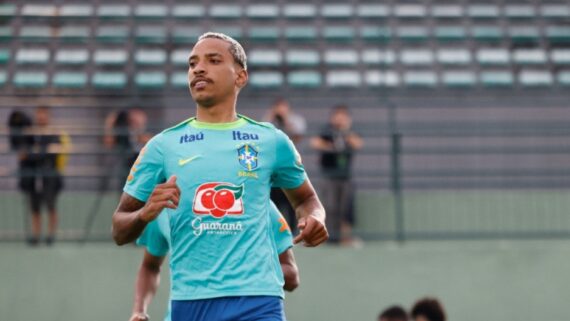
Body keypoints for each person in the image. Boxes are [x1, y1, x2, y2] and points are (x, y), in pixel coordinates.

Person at [112, 32, 328, 321]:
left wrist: (316, 217)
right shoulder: (162, 146)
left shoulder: (271, 141)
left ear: (240, 76)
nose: (198, 69)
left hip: (258, 300)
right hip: (191, 302)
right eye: (192, 64)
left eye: (213, 60)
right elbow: (119, 229)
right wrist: (144, 215)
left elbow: (307, 199)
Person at [129, 202, 300, 321]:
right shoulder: (164, 209)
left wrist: (247, 268)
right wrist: (139, 310)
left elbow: (291, 277)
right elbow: (150, 266)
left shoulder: (260, 204)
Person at [311, 105, 363, 246]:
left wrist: (345, 131)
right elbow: (315, 143)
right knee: (329, 206)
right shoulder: (327, 131)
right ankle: (329, 237)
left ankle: (344, 238)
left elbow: (358, 144)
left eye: (343, 116)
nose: (339, 119)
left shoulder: (350, 132)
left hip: (345, 176)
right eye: (337, 115)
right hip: (329, 175)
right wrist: (331, 147)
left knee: (346, 208)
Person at [19, 107, 70, 245]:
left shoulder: (55, 133)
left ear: (48, 116)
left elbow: (54, 151)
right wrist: (39, 153)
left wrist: (36, 153)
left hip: (50, 176)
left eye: (44, 115)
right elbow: (24, 153)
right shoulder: (30, 134)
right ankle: (36, 235)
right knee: (35, 207)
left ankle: (51, 235)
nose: (41, 118)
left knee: (51, 206)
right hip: (34, 176)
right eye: (39, 115)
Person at [263, 98, 307, 232]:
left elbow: (298, 136)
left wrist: (286, 119)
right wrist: (271, 116)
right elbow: (262, 135)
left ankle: (294, 230)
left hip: (289, 166)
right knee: (273, 200)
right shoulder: (269, 121)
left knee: (291, 201)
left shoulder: (295, 120)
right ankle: (273, 230)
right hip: (272, 167)